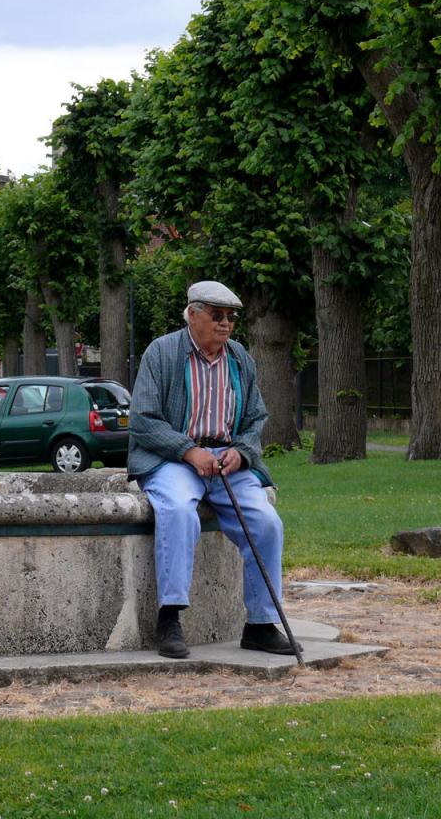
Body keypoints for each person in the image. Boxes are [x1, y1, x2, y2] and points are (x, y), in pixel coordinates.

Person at [127, 280, 297, 659]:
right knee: (177, 510)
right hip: (173, 459)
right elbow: (142, 420)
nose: (225, 324)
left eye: (231, 318)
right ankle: (169, 618)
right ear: (192, 314)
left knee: (268, 523)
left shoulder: (239, 359)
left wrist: (241, 452)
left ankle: (260, 625)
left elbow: (256, 418)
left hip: (225, 462)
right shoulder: (162, 352)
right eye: (216, 315)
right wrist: (188, 451)